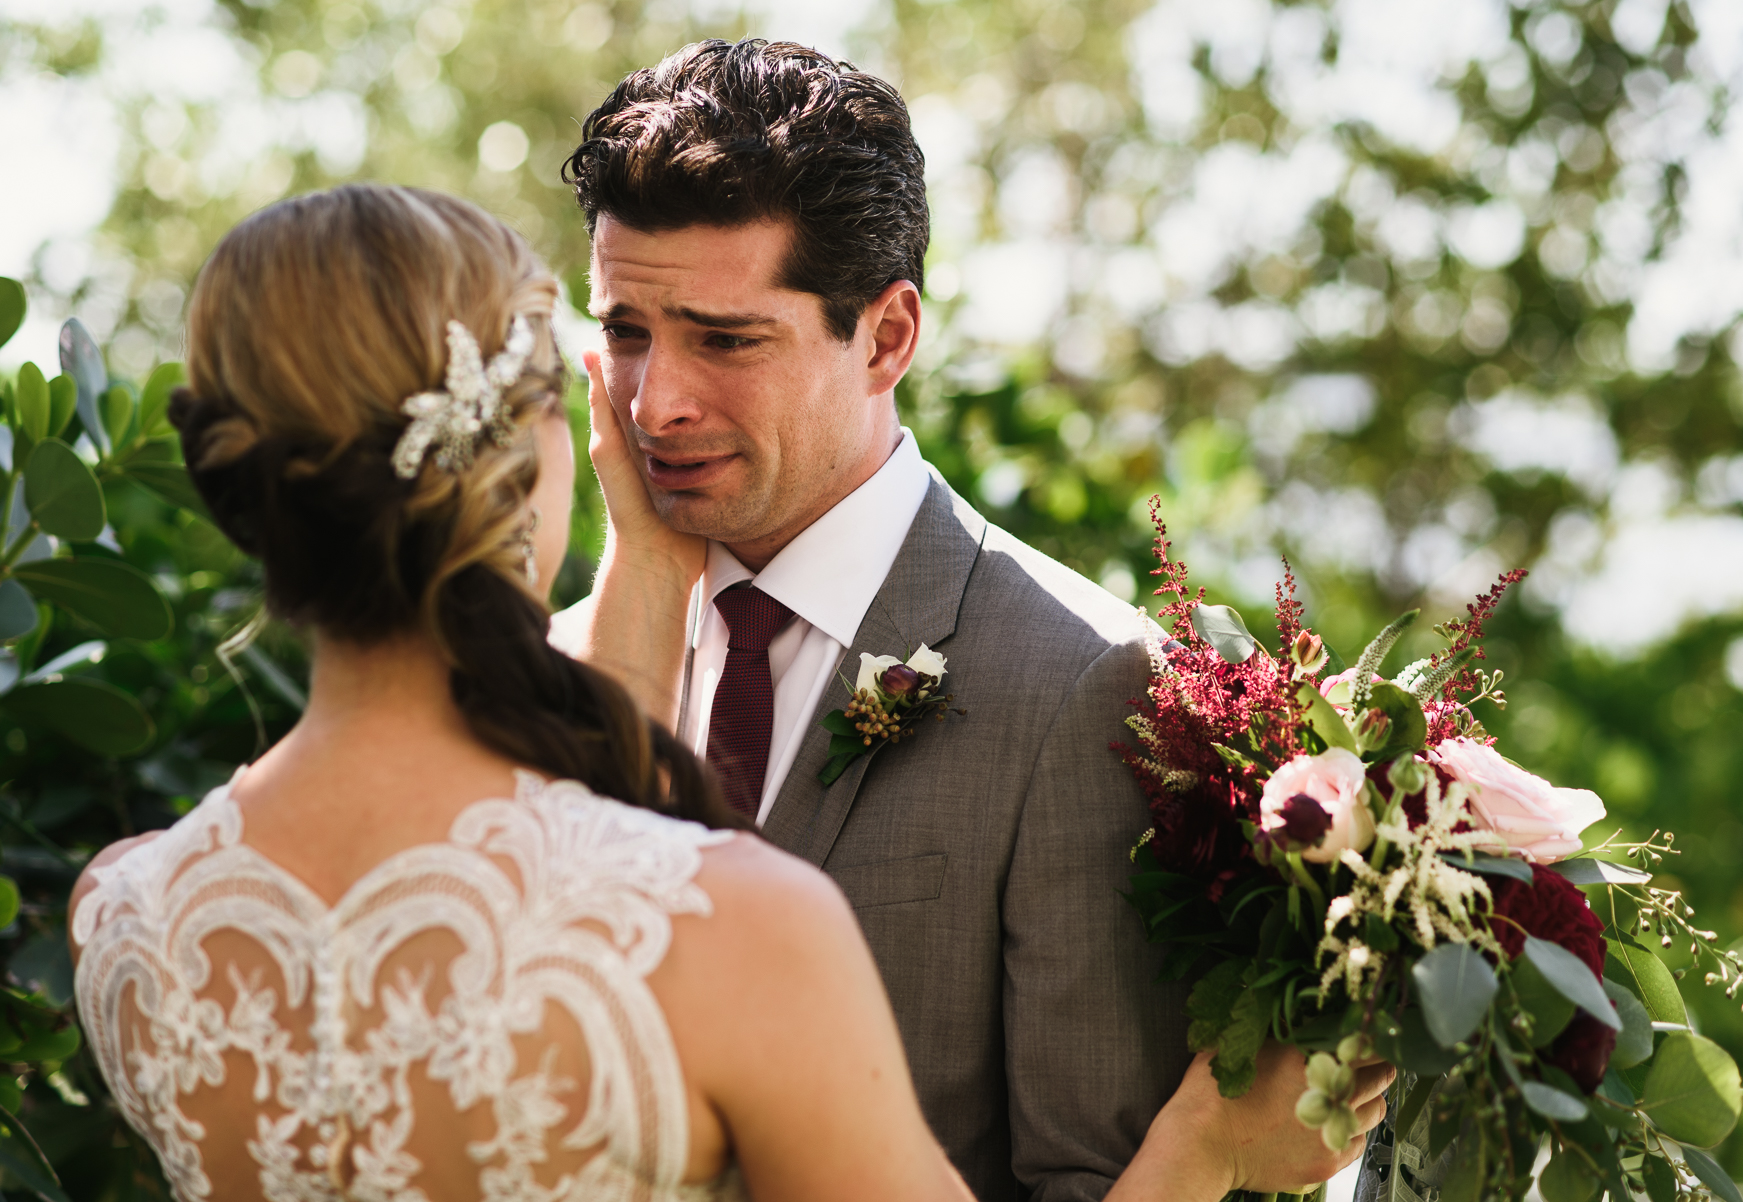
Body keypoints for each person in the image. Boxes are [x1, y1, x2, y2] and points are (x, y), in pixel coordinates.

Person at [67, 185, 1388, 1202]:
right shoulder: (737, 929)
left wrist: (646, 567)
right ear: (537, 450)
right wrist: (1213, 1144)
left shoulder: (127, 925)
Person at [553, 37, 1389, 1202]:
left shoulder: (1077, 680)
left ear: (888, 336)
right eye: (627, 330)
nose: (656, 402)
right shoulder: (556, 671)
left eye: (725, 338)